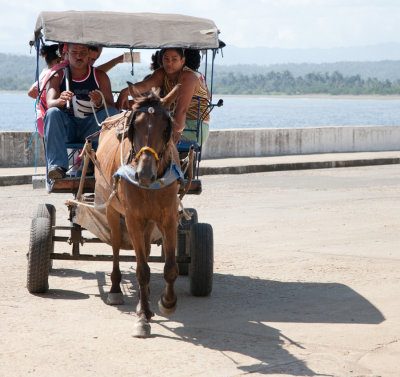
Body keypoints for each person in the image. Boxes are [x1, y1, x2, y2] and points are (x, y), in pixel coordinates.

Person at [44, 43, 119, 180]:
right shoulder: (58, 75)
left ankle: (99, 161)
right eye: (74, 52)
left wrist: (100, 102)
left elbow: (111, 106)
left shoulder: (99, 76)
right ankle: (57, 167)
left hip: (90, 127)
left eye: (83, 52)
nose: (79, 56)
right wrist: (59, 101)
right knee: (52, 113)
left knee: (113, 113)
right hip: (68, 127)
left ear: (89, 54)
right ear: (67, 54)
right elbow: (50, 103)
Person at [117, 48, 210, 145]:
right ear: (162, 60)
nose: (169, 63)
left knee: (153, 129)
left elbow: (181, 110)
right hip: (173, 119)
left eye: (174, 59)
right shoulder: (161, 73)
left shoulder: (188, 77)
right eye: (166, 59)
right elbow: (145, 85)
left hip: (194, 126)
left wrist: (177, 131)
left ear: (182, 61)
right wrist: (125, 92)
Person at [27, 44, 61, 135]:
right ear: (58, 60)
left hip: (41, 117)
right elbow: (31, 92)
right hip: (43, 116)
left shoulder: (45, 72)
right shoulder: (51, 74)